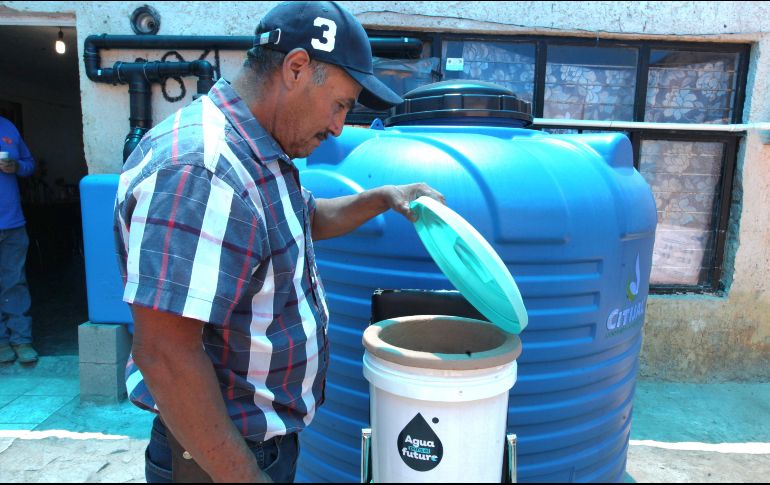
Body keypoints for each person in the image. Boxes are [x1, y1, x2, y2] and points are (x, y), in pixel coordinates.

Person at [114, 1, 445, 482]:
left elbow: (305, 218)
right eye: (340, 104)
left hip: (254, 446)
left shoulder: (258, 152)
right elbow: (165, 354)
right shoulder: (202, 170)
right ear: (295, 68)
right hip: (216, 461)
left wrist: (383, 198)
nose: (337, 127)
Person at [0, 116, 38, 364]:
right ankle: (1, 342)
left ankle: (21, 339)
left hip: (12, 222)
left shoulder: (7, 126)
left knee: (14, 283)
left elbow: (29, 164)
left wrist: (17, 167)